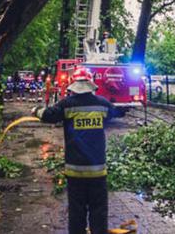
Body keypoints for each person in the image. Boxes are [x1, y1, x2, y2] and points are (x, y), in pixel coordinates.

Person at [32, 67, 114, 234]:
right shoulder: (102, 104)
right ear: (91, 83)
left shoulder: (67, 104)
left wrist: (36, 111)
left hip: (75, 171)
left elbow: (48, 115)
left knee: (77, 211)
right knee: (99, 210)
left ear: (73, 84)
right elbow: (116, 112)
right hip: (98, 171)